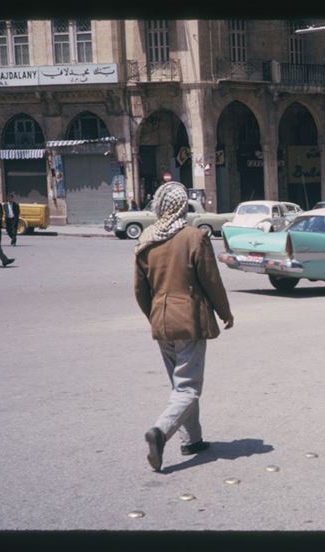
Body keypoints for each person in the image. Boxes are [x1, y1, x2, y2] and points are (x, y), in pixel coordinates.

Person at [134, 181, 234, 472]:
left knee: (180, 385)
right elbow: (211, 281)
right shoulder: (194, 237)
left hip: (161, 320)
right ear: (181, 206)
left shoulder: (146, 239)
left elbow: (141, 290)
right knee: (188, 387)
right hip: (188, 319)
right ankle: (160, 432)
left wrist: (155, 316)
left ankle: (192, 439)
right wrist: (224, 312)